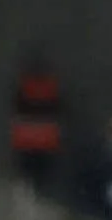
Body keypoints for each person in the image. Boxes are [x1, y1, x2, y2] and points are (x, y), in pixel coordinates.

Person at [8, 52, 71, 197]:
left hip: (27, 136)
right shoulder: (52, 89)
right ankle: (35, 190)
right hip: (44, 138)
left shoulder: (25, 87)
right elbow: (58, 111)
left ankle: (26, 188)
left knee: (27, 171)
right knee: (39, 173)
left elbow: (18, 109)